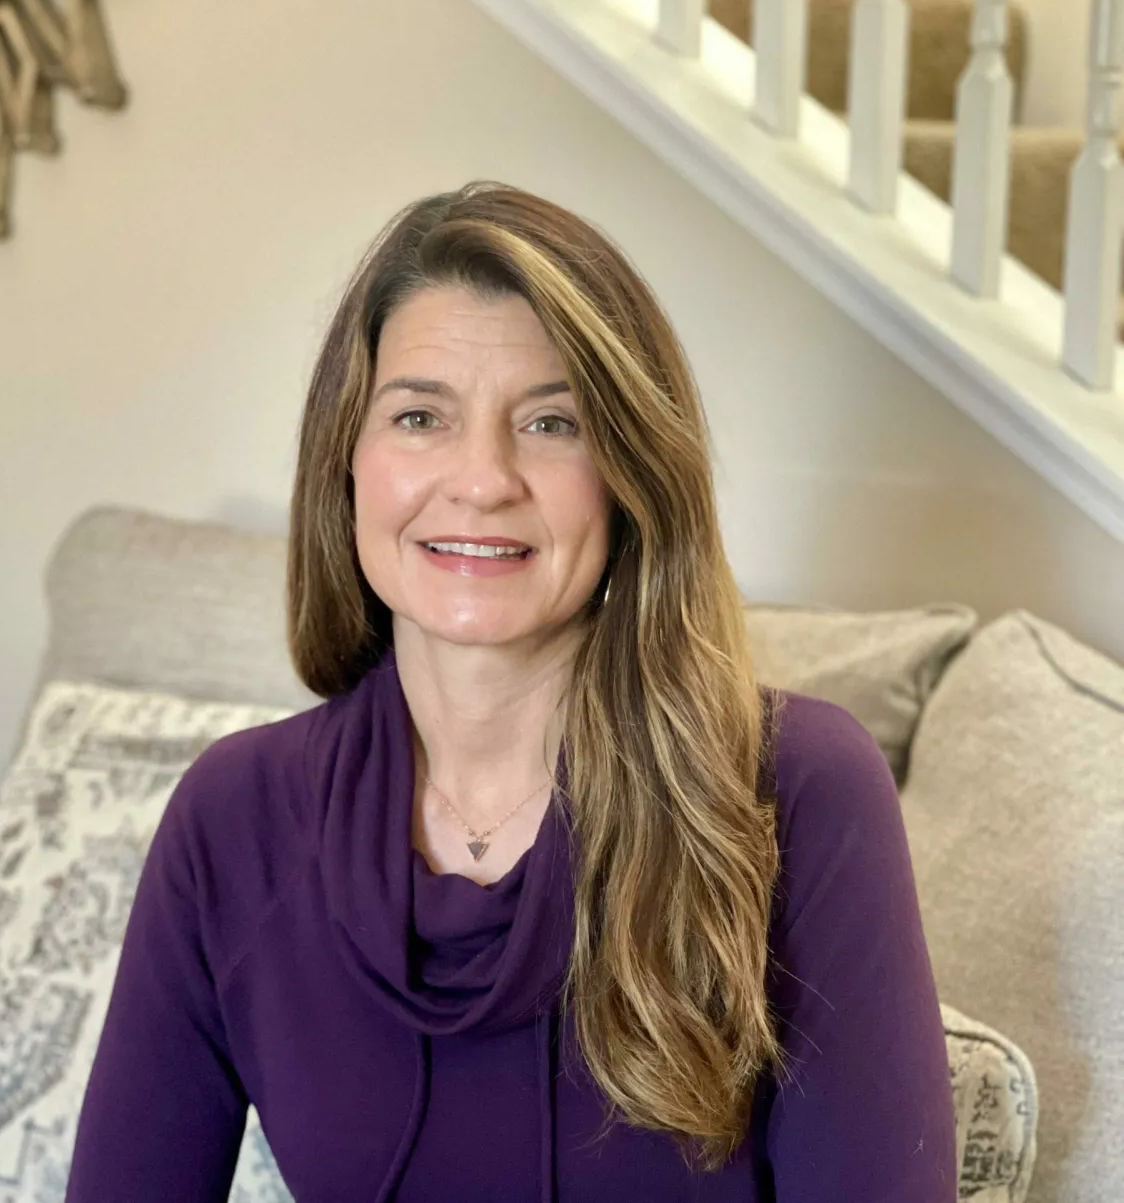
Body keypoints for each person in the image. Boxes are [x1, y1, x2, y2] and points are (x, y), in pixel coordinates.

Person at [66, 181, 955, 1201]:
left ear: (631, 480)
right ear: (346, 465)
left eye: (551, 423)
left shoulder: (794, 791)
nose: (483, 477)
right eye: (419, 416)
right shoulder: (233, 818)